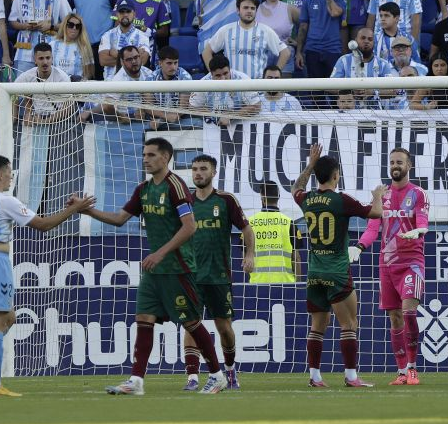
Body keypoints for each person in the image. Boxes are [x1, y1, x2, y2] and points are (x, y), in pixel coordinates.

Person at [82, 138, 228, 395]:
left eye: (151, 155)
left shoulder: (176, 186)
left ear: (165, 158)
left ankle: (217, 376)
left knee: (192, 323)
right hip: (155, 271)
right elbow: (119, 219)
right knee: (143, 320)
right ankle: (136, 381)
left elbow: (190, 226)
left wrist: (160, 253)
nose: (146, 159)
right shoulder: (143, 190)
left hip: (178, 268)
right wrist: (87, 211)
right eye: (144, 155)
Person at [0, 153, 95, 397]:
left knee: (8, 318)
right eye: (9, 171)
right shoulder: (5, 200)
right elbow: (43, 225)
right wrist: (75, 209)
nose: (11, 176)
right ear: (0, 174)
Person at [291, 144, 385, 387]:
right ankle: (351, 376)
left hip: (314, 273)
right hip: (337, 272)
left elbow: (296, 188)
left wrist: (310, 164)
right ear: (336, 176)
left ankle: (314, 376)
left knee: (317, 327)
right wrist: (377, 196)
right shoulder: (341, 200)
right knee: (349, 324)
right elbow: (376, 214)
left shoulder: (307, 199)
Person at [351, 147, 429, 386]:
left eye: (400, 162)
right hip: (386, 265)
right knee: (395, 318)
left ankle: (413, 368)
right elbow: (373, 229)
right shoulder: (381, 195)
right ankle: (401, 370)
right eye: (392, 162)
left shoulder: (418, 193)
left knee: (408, 312)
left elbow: (423, 223)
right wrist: (359, 247)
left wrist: (418, 231)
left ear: (409, 166)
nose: (395, 166)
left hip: (412, 262)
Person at [181, 155, 255, 391]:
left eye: (203, 169)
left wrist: (250, 254)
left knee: (224, 328)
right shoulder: (184, 203)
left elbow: (245, 228)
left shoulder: (225, 200)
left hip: (219, 276)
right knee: (191, 324)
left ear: (214, 173)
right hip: (191, 275)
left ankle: (231, 370)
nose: (198, 173)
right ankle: (192, 377)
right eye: (194, 169)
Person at [202, 0, 290, 79]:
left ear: (256, 10)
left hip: (257, 89)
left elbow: (285, 53)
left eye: (252, 8)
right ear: (238, 10)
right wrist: (214, 74)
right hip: (232, 88)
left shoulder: (266, 31)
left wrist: (273, 76)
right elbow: (206, 52)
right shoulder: (226, 30)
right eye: (245, 8)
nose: (249, 11)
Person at [249, 180, 302, 283]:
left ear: (262, 197)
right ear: (278, 196)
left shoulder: (250, 223)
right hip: (285, 283)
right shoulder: (289, 222)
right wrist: (298, 285)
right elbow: (297, 258)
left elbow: (245, 257)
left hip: (257, 284)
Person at [189, 54, 262, 126]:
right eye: (218, 75)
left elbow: (256, 106)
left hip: (241, 124)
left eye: (225, 73)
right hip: (213, 127)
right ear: (211, 74)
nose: (223, 78)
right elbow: (192, 107)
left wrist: (231, 116)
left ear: (230, 69)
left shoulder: (242, 79)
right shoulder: (203, 83)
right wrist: (213, 115)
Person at [330, 27, 394, 107]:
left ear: (374, 43)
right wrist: (351, 92)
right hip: (349, 114)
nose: (366, 41)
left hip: (375, 114)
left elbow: (392, 91)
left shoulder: (383, 64)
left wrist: (373, 92)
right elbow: (330, 86)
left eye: (370, 39)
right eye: (363, 38)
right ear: (356, 40)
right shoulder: (344, 61)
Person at [14, 42, 73, 126]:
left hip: (59, 121)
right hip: (36, 119)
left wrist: (45, 122)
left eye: (48, 58)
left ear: (52, 59)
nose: (45, 62)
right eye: (41, 58)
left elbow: (68, 108)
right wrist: (25, 114)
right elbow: (11, 93)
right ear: (35, 60)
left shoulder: (62, 77)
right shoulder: (27, 76)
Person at [8, 0, 71, 75]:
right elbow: (12, 21)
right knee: (22, 85)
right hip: (24, 54)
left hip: (50, 52)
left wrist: (51, 26)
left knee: (49, 85)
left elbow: (69, 23)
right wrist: (24, 26)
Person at [143, 45, 194, 130]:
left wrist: (161, 120)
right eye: (169, 63)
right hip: (156, 119)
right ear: (160, 63)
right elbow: (148, 107)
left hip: (182, 119)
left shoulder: (185, 77)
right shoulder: (150, 79)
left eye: (175, 63)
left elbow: (183, 107)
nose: (173, 67)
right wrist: (165, 116)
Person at [98, 1, 151, 80]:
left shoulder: (142, 36)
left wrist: (117, 54)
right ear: (117, 14)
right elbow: (103, 60)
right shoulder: (107, 35)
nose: (125, 14)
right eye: (121, 12)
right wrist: (133, 57)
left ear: (134, 14)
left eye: (128, 11)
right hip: (110, 86)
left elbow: (143, 60)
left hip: (135, 86)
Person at [296, 0, 345, 79]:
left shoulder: (339, 1)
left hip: (333, 49)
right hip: (312, 49)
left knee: (333, 87)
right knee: (315, 87)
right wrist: (299, 52)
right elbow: (303, 27)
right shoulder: (308, 1)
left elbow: (334, 12)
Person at [257, 0, 300, 77]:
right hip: (262, 55)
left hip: (285, 54)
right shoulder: (255, 9)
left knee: (283, 87)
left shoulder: (289, 9)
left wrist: (297, 41)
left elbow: (305, 24)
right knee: (262, 87)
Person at [74, 0, 114, 80]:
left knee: (101, 83)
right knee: (85, 83)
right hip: (82, 45)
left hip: (103, 45)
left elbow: (119, 12)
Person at [48, 12, 94, 81]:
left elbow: (88, 73)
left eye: (78, 26)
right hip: (56, 86)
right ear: (64, 26)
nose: (74, 28)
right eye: (71, 25)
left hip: (76, 87)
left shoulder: (84, 47)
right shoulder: (53, 45)